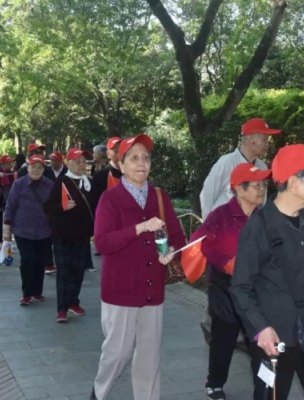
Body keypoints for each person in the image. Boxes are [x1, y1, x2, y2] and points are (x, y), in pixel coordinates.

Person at [231, 144, 304, 400]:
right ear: (294, 182)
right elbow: (240, 288)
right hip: (274, 340)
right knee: (269, 396)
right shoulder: (258, 228)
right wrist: (260, 329)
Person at [91, 134, 186, 400]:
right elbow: (102, 242)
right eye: (133, 158)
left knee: (149, 355)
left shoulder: (160, 196)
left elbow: (176, 237)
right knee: (117, 353)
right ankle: (98, 394)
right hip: (120, 290)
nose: (141, 163)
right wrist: (139, 228)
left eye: (145, 157)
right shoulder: (110, 199)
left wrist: (171, 253)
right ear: (120, 165)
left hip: (152, 289)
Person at [198, 118, 282, 343]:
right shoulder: (226, 163)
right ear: (251, 138)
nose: (266, 142)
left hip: (250, 236)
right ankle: (212, 327)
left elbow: (263, 206)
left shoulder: (263, 167)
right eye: (264, 138)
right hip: (223, 239)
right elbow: (206, 195)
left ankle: (244, 333)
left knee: (246, 283)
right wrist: (213, 229)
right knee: (220, 288)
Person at [196, 163, 270, 400]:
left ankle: (264, 387)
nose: (262, 189)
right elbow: (200, 243)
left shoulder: (266, 217)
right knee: (224, 338)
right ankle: (214, 381)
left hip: (256, 289)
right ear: (239, 189)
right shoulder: (220, 216)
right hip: (224, 286)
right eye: (257, 185)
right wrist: (225, 260)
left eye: (263, 184)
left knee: (259, 340)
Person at [44, 148, 97, 322]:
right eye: (77, 161)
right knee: (64, 272)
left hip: (82, 236)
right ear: (68, 163)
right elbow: (48, 207)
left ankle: (74, 301)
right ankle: (62, 309)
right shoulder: (61, 182)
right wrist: (62, 208)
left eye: (83, 162)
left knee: (78, 271)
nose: (82, 165)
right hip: (62, 236)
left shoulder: (89, 183)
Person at [3, 154, 54, 306]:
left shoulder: (49, 185)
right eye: (33, 167)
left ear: (44, 169)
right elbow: (10, 206)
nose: (36, 170)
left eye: (39, 167)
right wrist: (6, 229)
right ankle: (26, 293)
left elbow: (54, 207)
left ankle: (37, 292)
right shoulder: (19, 184)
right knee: (27, 261)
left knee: (40, 262)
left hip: (44, 231)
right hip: (23, 231)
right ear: (28, 167)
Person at [0, 155, 17, 250]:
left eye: (11, 162)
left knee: (9, 220)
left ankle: (8, 240)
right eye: (8, 163)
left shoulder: (12, 174)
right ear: (3, 164)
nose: (10, 164)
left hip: (10, 200)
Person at [91, 137, 123, 205]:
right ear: (108, 154)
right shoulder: (99, 177)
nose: (119, 155)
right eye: (116, 151)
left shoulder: (131, 174)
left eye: (121, 151)